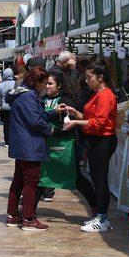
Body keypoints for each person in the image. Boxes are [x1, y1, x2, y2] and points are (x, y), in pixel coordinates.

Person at [64, 61, 118, 232]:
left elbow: (99, 123)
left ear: (100, 77)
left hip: (103, 140)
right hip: (96, 139)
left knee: (100, 180)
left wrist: (76, 122)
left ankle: (102, 218)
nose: (87, 81)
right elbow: (91, 118)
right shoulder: (97, 94)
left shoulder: (105, 95)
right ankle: (100, 216)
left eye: (89, 77)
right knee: (97, 178)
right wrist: (76, 114)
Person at [5, 67, 57, 231]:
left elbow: (38, 114)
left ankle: (13, 215)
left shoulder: (25, 94)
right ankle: (28, 218)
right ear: (37, 82)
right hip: (30, 146)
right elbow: (35, 120)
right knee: (30, 183)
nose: (46, 86)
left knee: (19, 180)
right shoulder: (28, 95)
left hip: (23, 145)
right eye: (44, 83)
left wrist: (54, 112)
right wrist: (50, 130)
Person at [35, 72, 77, 205]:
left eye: (50, 83)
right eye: (46, 83)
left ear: (59, 86)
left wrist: (54, 131)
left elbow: (70, 123)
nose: (46, 86)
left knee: (76, 178)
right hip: (45, 145)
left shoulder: (66, 100)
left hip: (62, 145)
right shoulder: (41, 98)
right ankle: (29, 209)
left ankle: (95, 208)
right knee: (41, 177)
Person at [0, 68, 16, 146]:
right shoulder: (16, 84)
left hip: (4, 108)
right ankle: (13, 140)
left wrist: (0, 104)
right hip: (14, 107)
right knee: (15, 124)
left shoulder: (0, 85)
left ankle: (7, 142)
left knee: (6, 125)